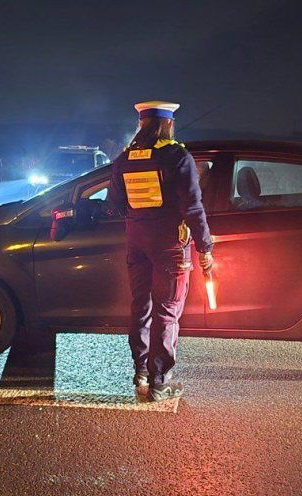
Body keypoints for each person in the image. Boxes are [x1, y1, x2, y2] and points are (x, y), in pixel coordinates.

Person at [107, 101, 214, 401]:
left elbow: (113, 205)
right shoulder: (177, 156)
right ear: (167, 124)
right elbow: (193, 207)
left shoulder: (124, 159)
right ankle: (160, 382)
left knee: (140, 306)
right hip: (169, 245)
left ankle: (140, 371)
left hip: (136, 242)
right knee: (167, 312)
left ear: (142, 124)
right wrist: (205, 246)